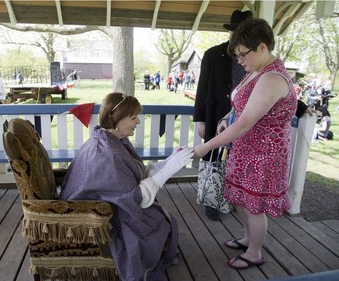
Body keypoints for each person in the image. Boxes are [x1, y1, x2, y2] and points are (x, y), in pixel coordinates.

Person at [193, 18, 298, 269]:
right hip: (245, 149)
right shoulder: (256, 72)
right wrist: (223, 118)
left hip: (263, 154)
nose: (240, 61)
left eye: (243, 54)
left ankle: (254, 252)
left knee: (254, 206)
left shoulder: (272, 78)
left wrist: (207, 147)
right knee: (240, 199)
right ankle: (247, 239)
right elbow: (240, 106)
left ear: (262, 47)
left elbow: (245, 123)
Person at [60, 92, 194, 281]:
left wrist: (168, 162)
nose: (138, 122)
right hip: (95, 213)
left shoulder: (112, 140)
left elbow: (131, 176)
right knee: (156, 223)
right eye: (133, 117)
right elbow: (135, 196)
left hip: (106, 202)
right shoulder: (107, 153)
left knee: (160, 219)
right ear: (117, 118)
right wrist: (168, 170)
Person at [193, 9, 253, 221]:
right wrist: (200, 120)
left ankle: (234, 199)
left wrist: (301, 109)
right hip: (215, 115)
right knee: (213, 159)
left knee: (237, 161)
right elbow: (201, 89)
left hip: (246, 119)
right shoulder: (212, 54)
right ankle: (212, 201)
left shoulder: (254, 58)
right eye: (237, 32)